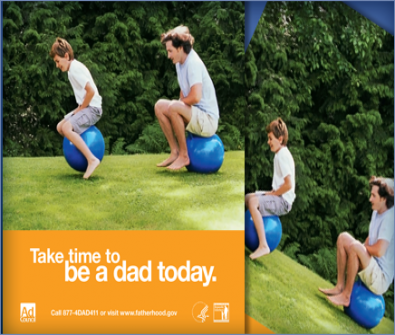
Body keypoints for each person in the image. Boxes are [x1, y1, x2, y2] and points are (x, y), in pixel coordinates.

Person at [319, 176, 394, 306]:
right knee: (343, 238)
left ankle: (346, 297)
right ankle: (339, 287)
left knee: (355, 246)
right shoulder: (376, 212)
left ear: (383, 198)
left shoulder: (389, 219)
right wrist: (358, 250)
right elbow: (370, 239)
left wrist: (358, 249)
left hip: (380, 278)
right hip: (371, 265)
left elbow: (380, 251)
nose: (370, 199)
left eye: (373, 196)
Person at [154, 26, 219, 170]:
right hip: (195, 114)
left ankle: (184, 156)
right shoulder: (179, 63)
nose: (168, 56)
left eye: (170, 51)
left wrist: (176, 107)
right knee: (159, 106)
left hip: (208, 120)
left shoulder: (193, 63)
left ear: (180, 48)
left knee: (174, 107)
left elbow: (195, 96)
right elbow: (184, 93)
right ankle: (175, 152)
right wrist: (176, 106)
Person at [50, 37, 103, 179]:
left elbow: (91, 91)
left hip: (92, 109)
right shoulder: (71, 70)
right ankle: (81, 146)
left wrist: (80, 109)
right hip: (85, 107)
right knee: (60, 127)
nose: (57, 65)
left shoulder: (75, 69)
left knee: (67, 128)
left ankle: (92, 159)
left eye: (57, 61)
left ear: (66, 56)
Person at [245, 118, 296, 259]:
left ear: (280, 139)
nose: (268, 142)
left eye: (270, 139)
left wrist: (272, 194)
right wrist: (271, 194)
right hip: (278, 196)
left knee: (253, 203)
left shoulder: (282, 156)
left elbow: (288, 184)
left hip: (283, 201)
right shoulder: (280, 154)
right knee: (248, 198)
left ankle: (263, 245)